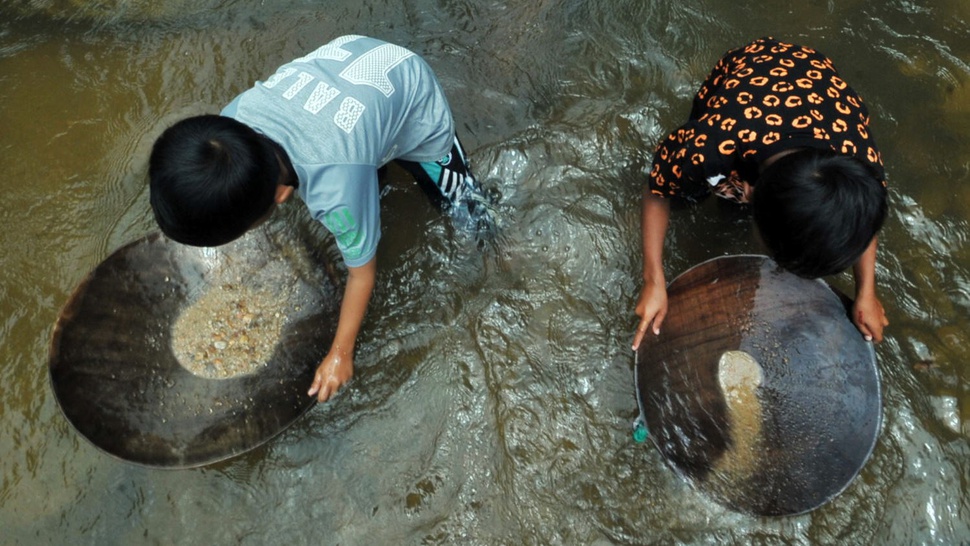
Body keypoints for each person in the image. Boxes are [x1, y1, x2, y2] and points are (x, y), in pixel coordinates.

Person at [149, 35, 494, 402]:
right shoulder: (230, 125)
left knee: (463, 205)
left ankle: (499, 240)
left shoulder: (337, 190)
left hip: (408, 91)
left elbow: (362, 273)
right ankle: (374, 159)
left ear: (282, 195)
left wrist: (339, 354)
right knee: (363, 162)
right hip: (347, 68)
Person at [633, 37, 889, 351]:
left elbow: (857, 215)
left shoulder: (861, 165)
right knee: (686, 195)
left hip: (819, 82)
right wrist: (653, 278)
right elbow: (657, 189)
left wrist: (867, 290)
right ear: (750, 194)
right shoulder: (708, 146)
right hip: (751, 66)